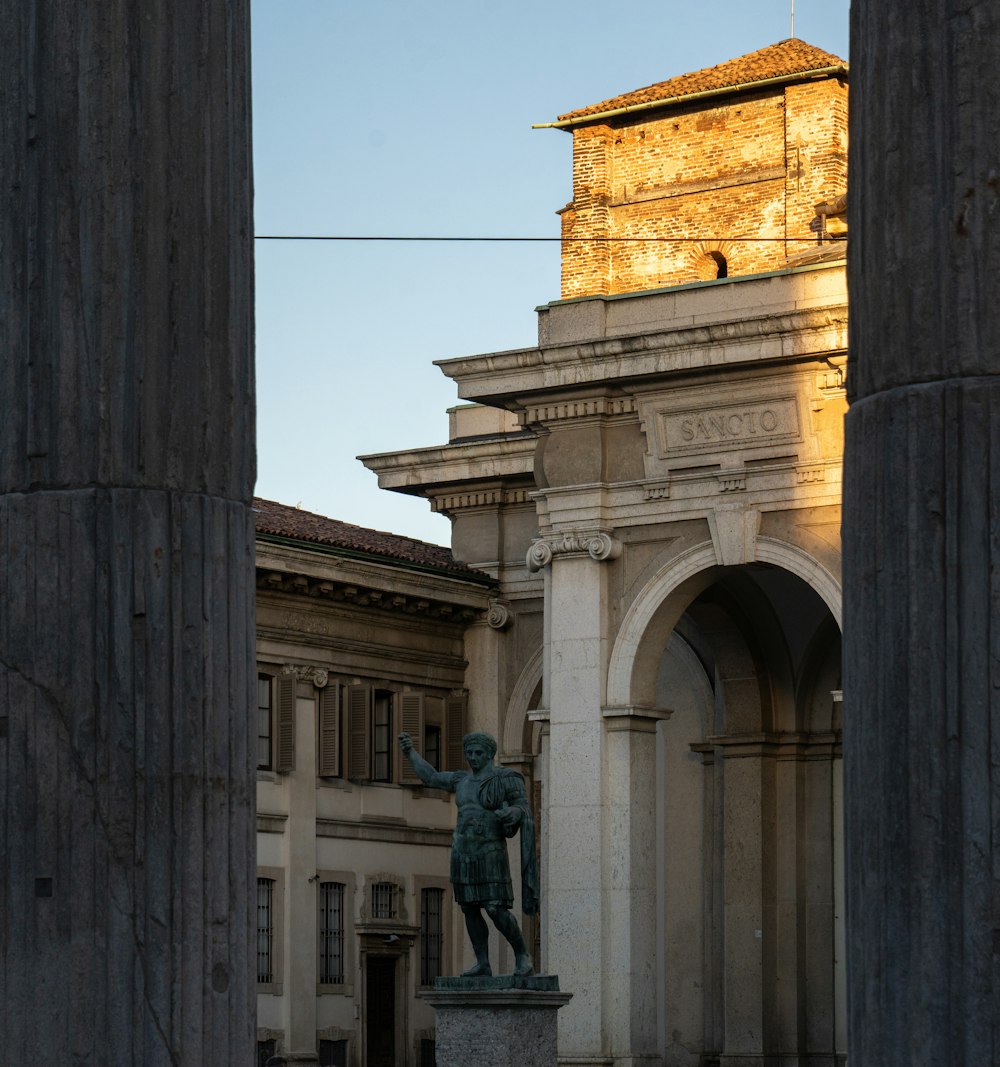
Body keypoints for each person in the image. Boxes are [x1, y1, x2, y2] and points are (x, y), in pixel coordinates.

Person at [398, 730, 538, 977]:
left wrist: (514, 813)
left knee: (495, 909)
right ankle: (483, 962)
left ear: (490, 754)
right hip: (462, 852)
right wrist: (411, 753)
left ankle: (522, 955)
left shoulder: (505, 779)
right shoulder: (460, 780)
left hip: (491, 851)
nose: (472, 757)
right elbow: (430, 776)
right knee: (469, 909)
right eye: (469, 753)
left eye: (478, 753)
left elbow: (523, 807)